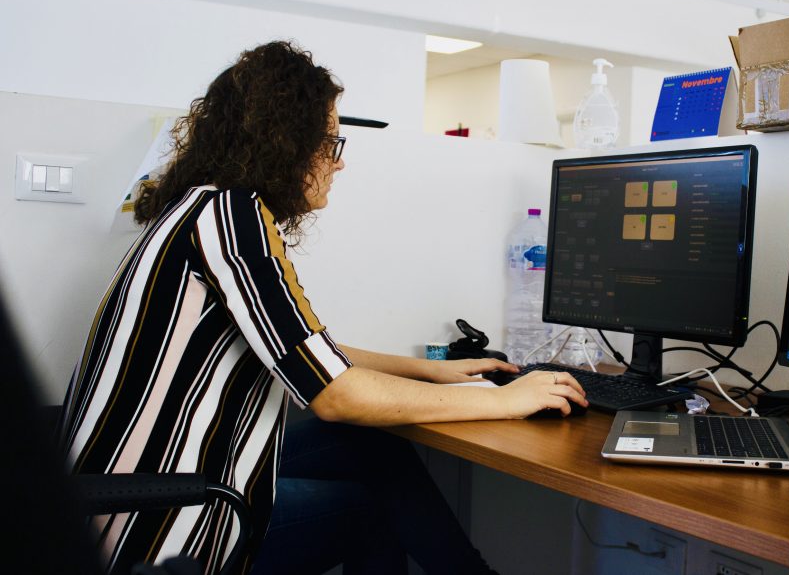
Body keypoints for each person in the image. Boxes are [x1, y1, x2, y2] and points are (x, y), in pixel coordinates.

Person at [59, 41, 588, 575]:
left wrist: (431, 372)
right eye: (331, 142)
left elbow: (306, 351)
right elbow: (336, 395)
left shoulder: (202, 208)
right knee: (366, 512)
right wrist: (507, 401)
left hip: (141, 483)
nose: (339, 162)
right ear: (287, 143)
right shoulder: (231, 219)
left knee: (372, 445)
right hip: (155, 521)